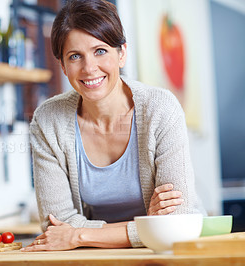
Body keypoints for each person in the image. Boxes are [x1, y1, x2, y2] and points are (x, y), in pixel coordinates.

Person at [21, 0, 205, 252]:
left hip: (168, 251)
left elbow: (177, 219)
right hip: (95, 256)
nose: (89, 68)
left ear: (122, 53)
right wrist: (149, 225)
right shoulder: (48, 120)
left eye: (100, 51)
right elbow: (57, 224)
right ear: (62, 66)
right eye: (75, 56)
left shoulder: (161, 108)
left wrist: (79, 235)